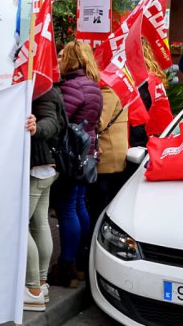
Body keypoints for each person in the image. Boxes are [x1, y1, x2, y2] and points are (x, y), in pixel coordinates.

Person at [53, 41, 102, 287]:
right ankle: (81, 263)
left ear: (71, 59)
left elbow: (63, 122)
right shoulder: (93, 85)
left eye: (62, 57)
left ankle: (67, 266)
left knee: (68, 208)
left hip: (72, 157)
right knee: (80, 204)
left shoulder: (71, 87)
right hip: (88, 154)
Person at [23, 85, 64, 312]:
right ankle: (40, 284)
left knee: (21, 226)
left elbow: (51, 121)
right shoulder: (48, 87)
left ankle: (33, 290)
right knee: (40, 224)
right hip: (45, 168)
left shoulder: (43, 89)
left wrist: (36, 128)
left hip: (37, 167)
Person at [87, 85, 128, 240]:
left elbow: (100, 123)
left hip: (108, 155)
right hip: (108, 153)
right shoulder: (110, 89)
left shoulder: (108, 91)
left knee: (100, 203)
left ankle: (97, 240)